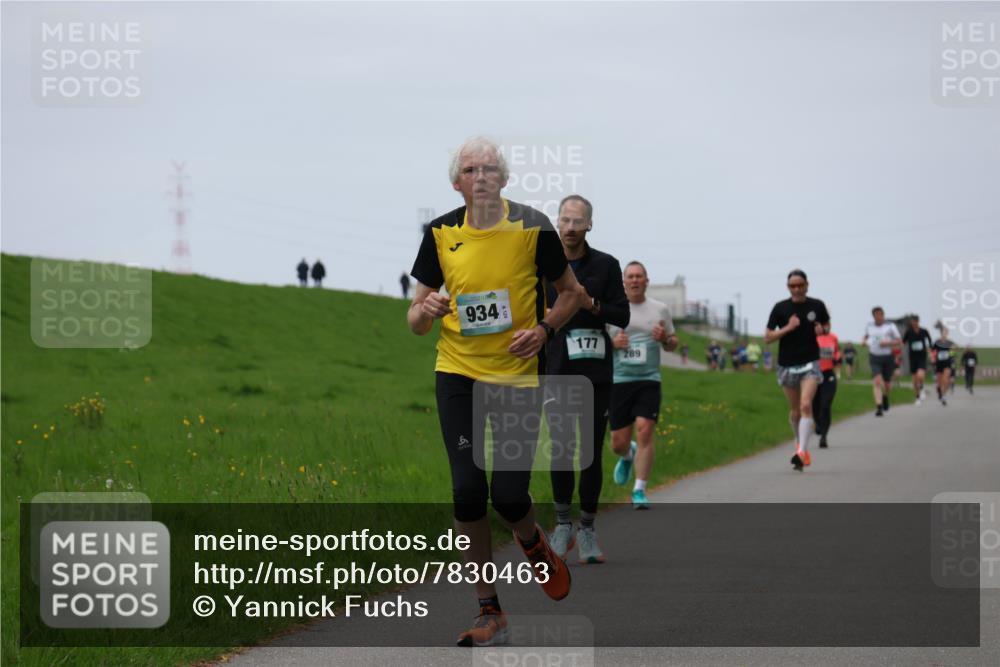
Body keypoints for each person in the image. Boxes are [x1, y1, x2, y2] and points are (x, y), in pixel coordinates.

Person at [407, 137, 589, 647]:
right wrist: (425, 311)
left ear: (504, 179)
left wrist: (546, 330)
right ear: (457, 182)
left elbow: (571, 293)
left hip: (515, 377)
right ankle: (489, 610)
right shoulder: (440, 233)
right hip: (458, 373)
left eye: (490, 168)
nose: (481, 175)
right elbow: (414, 318)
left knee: (509, 496)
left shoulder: (533, 227)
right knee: (467, 489)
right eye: (470, 169)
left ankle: (531, 538)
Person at [544, 194, 629, 565]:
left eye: (578, 221)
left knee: (589, 449)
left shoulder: (606, 266)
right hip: (557, 368)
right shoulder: (542, 264)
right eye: (565, 220)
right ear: (557, 223)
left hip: (595, 371)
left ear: (589, 225)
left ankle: (589, 529)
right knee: (561, 446)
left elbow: (622, 314)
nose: (571, 227)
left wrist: (591, 305)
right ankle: (563, 524)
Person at [607, 261, 678, 509]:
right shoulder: (613, 309)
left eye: (639, 276)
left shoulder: (660, 309)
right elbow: (601, 343)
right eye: (631, 277)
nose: (635, 281)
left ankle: (639, 490)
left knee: (646, 428)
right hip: (618, 381)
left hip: (648, 379)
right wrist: (614, 344)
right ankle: (628, 455)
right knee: (618, 443)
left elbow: (673, 343)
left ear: (647, 281)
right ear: (623, 282)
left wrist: (665, 339)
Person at [764, 269, 830, 471]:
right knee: (795, 412)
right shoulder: (780, 308)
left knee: (806, 404)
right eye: (793, 286)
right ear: (788, 287)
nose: (797, 289)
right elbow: (767, 337)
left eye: (801, 285)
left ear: (807, 285)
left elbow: (826, 325)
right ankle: (798, 441)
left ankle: (802, 451)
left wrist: (823, 330)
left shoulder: (817, 305)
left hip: (810, 362)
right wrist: (788, 328)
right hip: (787, 365)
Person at [862, 307, 901, 417]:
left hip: (888, 357)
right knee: (877, 381)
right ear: (873, 316)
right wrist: (864, 341)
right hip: (874, 356)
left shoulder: (890, 326)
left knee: (887, 384)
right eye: (876, 315)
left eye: (881, 314)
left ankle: (885, 397)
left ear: (883, 315)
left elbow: (899, 341)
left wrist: (887, 343)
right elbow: (866, 336)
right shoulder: (869, 326)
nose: (879, 317)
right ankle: (879, 407)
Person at [812, 321, 841, 448]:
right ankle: (818, 424)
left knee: (825, 404)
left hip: (829, 374)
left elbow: (837, 354)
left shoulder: (833, 338)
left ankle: (824, 436)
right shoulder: (812, 337)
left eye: (827, 324)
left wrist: (838, 360)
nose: (825, 326)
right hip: (813, 375)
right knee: (815, 404)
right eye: (823, 324)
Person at [901, 315, 933, 405]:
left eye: (915, 321)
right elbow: (903, 342)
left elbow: (930, 342)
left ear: (918, 321)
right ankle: (917, 397)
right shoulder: (909, 332)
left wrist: (930, 352)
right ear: (911, 322)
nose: (914, 323)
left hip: (922, 356)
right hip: (912, 357)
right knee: (914, 380)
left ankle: (922, 388)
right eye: (912, 321)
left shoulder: (924, 331)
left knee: (920, 375)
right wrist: (899, 353)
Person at [931, 328, 957, 406]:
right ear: (941, 333)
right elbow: (933, 351)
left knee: (946, 380)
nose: (944, 334)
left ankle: (943, 395)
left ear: (947, 334)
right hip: (939, 364)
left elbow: (952, 353)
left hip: (947, 363)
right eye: (943, 333)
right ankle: (939, 390)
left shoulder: (950, 343)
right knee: (939, 382)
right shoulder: (937, 342)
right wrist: (932, 358)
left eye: (946, 333)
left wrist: (953, 359)